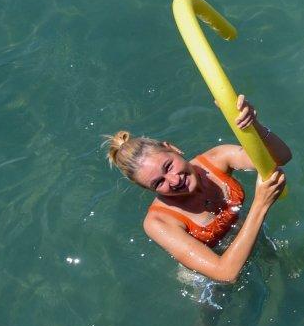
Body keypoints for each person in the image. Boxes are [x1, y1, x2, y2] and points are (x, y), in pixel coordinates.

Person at [104, 95, 291, 285]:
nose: (175, 180)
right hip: (210, 278)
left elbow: (281, 157)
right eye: (158, 183)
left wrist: (253, 127)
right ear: (147, 188)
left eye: (168, 166)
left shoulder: (218, 159)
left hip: (247, 232)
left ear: (172, 148)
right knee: (214, 310)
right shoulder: (158, 222)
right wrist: (261, 205)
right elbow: (225, 274)